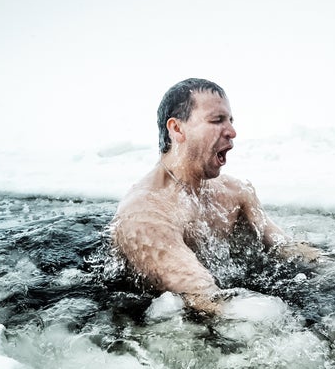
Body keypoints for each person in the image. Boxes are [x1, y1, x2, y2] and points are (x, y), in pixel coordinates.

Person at [109, 78, 320, 315]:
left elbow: (286, 247)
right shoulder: (146, 214)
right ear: (177, 129)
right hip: (154, 321)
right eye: (217, 120)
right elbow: (204, 297)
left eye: (230, 120)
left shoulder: (235, 192)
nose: (232, 131)